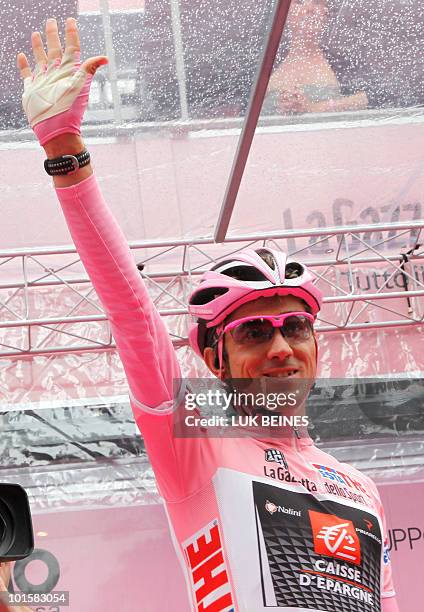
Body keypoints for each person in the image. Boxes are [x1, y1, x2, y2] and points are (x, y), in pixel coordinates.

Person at [17, 18, 399, 611]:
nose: (280, 348)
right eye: (253, 331)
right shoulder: (196, 435)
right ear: (212, 356)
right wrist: (67, 157)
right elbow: (132, 313)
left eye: (295, 327)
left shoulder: (361, 490)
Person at [263, 0, 368, 115]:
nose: (309, 9)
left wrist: (315, 108)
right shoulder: (262, 63)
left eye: (317, 2)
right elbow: (241, 107)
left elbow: (372, 97)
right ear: (283, 13)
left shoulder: (341, 64)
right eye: (299, 2)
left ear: (326, 13)